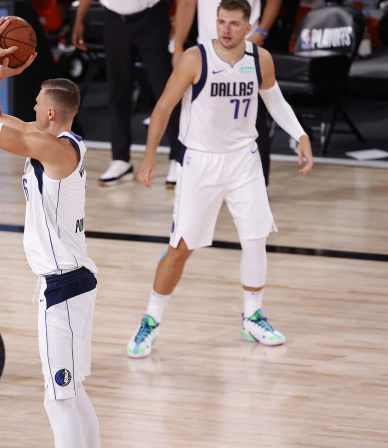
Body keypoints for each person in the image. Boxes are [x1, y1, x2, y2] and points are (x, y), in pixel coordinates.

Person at [126, 0, 313, 358]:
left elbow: (275, 102)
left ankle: (252, 316)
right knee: (181, 248)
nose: (225, 29)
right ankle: (150, 321)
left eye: (233, 23)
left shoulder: (261, 59)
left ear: (248, 26)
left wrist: (300, 134)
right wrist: (150, 156)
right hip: (201, 163)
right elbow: (163, 107)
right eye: (221, 21)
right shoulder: (195, 59)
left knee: (255, 238)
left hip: (244, 160)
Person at [0, 18, 100, 448]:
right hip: (77, 280)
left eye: (36, 103)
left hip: (62, 288)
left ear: (50, 113)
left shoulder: (50, 148)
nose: (30, 109)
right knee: (72, 391)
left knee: (57, 399)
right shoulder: (60, 142)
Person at [72, 0, 185, 187]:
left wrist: (177, 21)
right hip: (114, 19)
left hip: (151, 18)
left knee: (166, 89)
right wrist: (79, 19)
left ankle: (177, 158)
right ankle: (120, 159)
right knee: (118, 91)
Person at [172, 0, 282, 185]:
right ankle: (205, 180)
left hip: (245, 48)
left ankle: (257, 183)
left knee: (253, 118)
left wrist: (261, 33)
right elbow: (186, 4)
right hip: (205, 52)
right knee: (204, 119)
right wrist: (178, 46)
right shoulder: (195, 57)